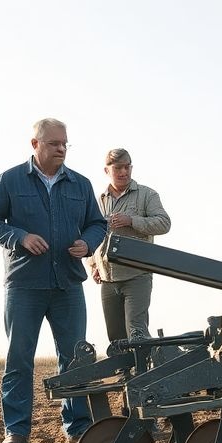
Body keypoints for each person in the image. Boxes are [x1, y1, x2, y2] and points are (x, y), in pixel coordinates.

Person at [0, 118, 107, 443]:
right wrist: (19, 237)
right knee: (19, 357)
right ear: (35, 144)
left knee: (75, 358)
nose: (61, 148)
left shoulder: (80, 184)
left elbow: (97, 223)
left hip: (68, 284)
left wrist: (88, 244)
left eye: (65, 143)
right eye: (53, 143)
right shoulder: (9, 180)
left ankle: (77, 428)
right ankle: (16, 431)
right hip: (24, 285)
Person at [90, 148, 171, 349]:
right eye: (118, 168)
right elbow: (91, 234)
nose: (124, 172)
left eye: (127, 167)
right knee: (115, 336)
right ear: (106, 170)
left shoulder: (147, 195)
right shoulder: (98, 200)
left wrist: (131, 220)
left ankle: (143, 376)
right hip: (108, 279)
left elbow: (164, 223)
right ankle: (124, 374)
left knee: (136, 331)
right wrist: (93, 265)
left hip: (137, 275)